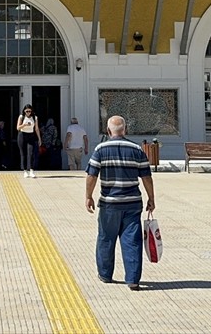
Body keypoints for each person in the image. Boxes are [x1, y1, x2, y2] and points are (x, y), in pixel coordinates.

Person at [85, 115, 155, 291]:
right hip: (132, 203)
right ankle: (133, 279)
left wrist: (88, 196)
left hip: (109, 203)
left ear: (108, 131)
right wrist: (151, 198)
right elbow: (146, 176)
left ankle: (105, 274)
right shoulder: (136, 149)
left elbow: (91, 175)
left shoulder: (100, 149)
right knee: (132, 241)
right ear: (125, 130)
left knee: (106, 239)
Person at [16, 104, 41, 178]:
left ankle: (31, 170)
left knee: (31, 152)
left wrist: (39, 138)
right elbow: (18, 127)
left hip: (31, 135)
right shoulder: (21, 117)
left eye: (30, 111)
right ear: (24, 111)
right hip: (22, 135)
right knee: (23, 153)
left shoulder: (35, 117)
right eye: (27, 111)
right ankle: (25, 170)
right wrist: (24, 125)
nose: (28, 113)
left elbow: (36, 128)